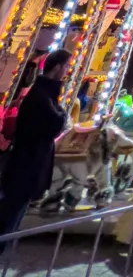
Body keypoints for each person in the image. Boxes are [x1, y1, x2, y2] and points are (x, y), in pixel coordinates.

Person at [0, 49, 71, 243]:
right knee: (9, 217)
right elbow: (54, 123)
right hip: (27, 166)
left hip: (29, 165)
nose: (66, 70)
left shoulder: (43, 94)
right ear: (56, 67)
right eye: (65, 66)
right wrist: (63, 117)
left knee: (13, 215)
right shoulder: (40, 96)